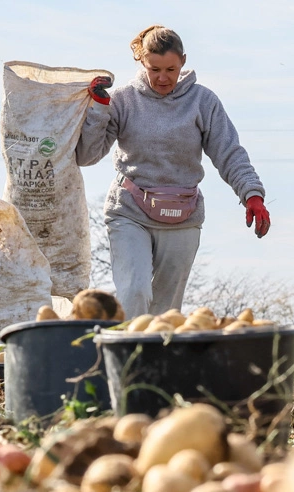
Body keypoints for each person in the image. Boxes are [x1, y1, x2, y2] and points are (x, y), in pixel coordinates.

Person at [76, 25, 270, 317]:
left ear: (183, 61)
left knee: (166, 312)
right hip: (129, 210)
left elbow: (229, 152)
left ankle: (156, 363)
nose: (163, 78)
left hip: (183, 215)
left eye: (171, 69)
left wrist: (252, 194)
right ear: (143, 61)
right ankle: (125, 361)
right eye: (155, 69)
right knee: (134, 293)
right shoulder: (123, 100)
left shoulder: (203, 102)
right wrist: (99, 109)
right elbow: (88, 155)